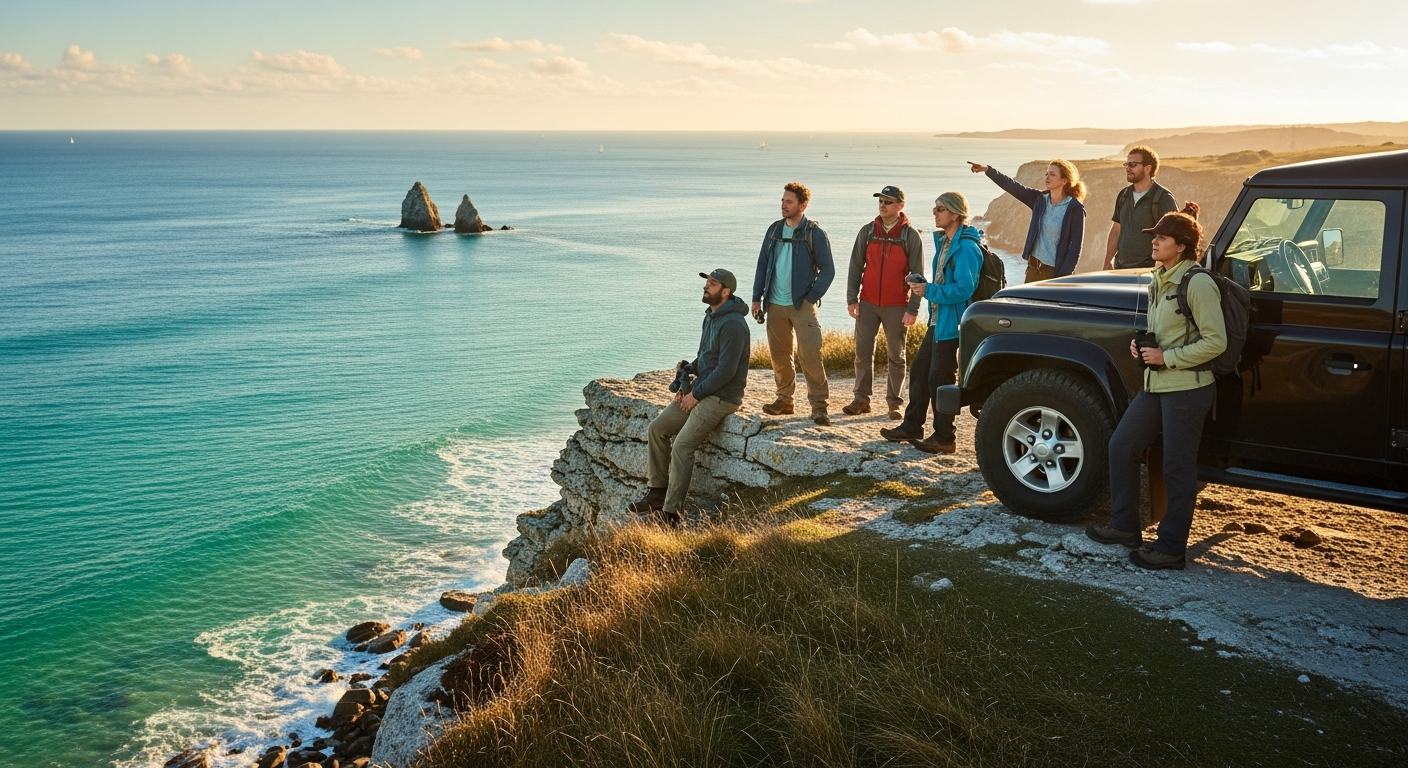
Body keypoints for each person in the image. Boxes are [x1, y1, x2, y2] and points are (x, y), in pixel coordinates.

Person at [1086, 208, 1225, 570]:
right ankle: (1125, 527)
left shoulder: (1198, 283)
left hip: (1188, 388)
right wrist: (1143, 348)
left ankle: (1170, 549)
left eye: (1161, 238)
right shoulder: (1159, 278)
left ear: (1181, 246)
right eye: (1154, 236)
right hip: (1157, 384)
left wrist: (1168, 357)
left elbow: (1216, 342)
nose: (1154, 241)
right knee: (1122, 446)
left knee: (1178, 468)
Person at [629, 269, 751, 526]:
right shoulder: (712, 316)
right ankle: (657, 493)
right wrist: (691, 368)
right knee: (657, 429)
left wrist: (695, 394)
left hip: (722, 396)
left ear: (726, 292)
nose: (706, 287)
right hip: (703, 389)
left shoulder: (733, 325)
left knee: (682, 446)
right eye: (707, 282)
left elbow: (726, 371)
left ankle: (672, 513)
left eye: (712, 284)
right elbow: (708, 356)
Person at [879, 192, 982, 454]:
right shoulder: (946, 243)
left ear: (956, 214)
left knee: (940, 378)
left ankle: (945, 437)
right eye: (935, 209)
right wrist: (925, 285)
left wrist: (930, 291)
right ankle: (913, 426)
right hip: (938, 321)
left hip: (954, 324)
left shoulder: (967, 247)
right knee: (921, 370)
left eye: (940, 209)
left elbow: (964, 289)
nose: (935, 213)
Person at [751, 182, 836, 425]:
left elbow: (828, 270)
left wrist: (811, 296)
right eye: (782, 201)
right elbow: (762, 265)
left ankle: (819, 406)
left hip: (802, 306)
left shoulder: (814, 233)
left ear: (803, 205)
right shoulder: (774, 230)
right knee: (779, 356)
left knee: (810, 356)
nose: (783, 205)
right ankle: (784, 401)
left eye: (789, 202)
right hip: (774, 304)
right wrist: (757, 298)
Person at [843, 185, 923, 420]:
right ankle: (861, 399)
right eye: (881, 201)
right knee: (862, 352)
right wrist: (852, 299)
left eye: (888, 202)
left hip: (897, 305)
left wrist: (913, 309)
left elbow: (918, 275)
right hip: (867, 302)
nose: (883, 205)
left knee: (896, 356)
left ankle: (894, 403)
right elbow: (855, 266)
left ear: (900, 206)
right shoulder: (868, 231)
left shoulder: (910, 235)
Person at [968, 159, 1086, 282]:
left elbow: (1075, 248)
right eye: (1046, 173)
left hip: (1054, 273)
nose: (1047, 177)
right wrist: (988, 170)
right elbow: (1013, 186)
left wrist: (1063, 278)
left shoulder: (1075, 209)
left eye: (1052, 174)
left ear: (1064, 180)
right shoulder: (1039, 200)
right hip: (1033, 269)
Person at [1104, 146, 1180, 271]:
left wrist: (1162, 267)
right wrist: (1107, 261)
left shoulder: (1163, 198)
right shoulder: (1123, 195)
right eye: (1126, 164)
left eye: (1133, 164)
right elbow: (1116, 230)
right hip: (1120, 269)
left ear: (1148, 168)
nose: (1128, 168)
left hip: (1149, 271)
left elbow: (1174, 235)